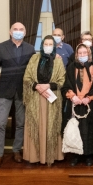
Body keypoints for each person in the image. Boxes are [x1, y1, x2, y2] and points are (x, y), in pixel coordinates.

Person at [0, 22, 35, 169]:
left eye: (21, 29)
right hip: (4, 90)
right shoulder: (1, 47)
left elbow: (33, 71)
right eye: (15, 29)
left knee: (21, 123)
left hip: (23, 91)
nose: (18, 31)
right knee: (1, 123)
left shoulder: (30, 48)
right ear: (10, 32)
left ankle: (16, 151)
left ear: (25, 32)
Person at [22, 36, 66, 165]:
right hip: (35, 98)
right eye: (45, 44)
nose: (48, 46)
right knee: (36, 125)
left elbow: (62, 80)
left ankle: (52, 155)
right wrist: (37, 86)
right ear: (41, 45)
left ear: (54, 46)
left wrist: (48, 86)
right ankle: (35, 156)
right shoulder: (34, 58)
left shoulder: (58, 61)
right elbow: (26, 77)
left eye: (50, 44)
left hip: (52, 99)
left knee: (52, 125)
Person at [62, 44, 93, 166]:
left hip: (90, 105)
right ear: (76, 55)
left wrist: (89, 98)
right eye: (79, 53)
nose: (82, 55)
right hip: (75, 104)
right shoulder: (70, 68)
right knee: (76, 130)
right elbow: (66, 85)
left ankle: (88, 156)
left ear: (89, 54)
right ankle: (75, 156)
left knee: (89, 130)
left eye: (84, 53)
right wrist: (73, 96)